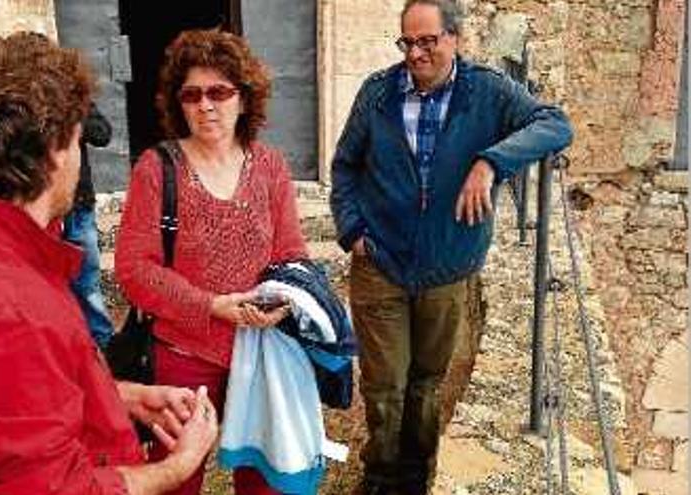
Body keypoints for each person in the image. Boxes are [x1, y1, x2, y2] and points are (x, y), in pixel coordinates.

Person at [0, 32, 218, 495]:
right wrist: (180, 464)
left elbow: (30, 395)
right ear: (54, 151)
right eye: (76, 140)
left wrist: (121, 397)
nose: (79, 158)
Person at [329, 1, 573, 494]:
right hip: (380, 262)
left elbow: (555, 124)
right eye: (407, 43)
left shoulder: (486, 90)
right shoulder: (378, 94)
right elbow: (344, 167)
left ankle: (416, 476)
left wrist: (491, 163)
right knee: (384, 386)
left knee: (426, 382)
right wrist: (352, 230)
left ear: (454, 38)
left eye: (428, 41)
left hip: (448, 266)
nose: (416, 53)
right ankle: (380, 475)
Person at [115, 29, 308, 495]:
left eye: (219, 92)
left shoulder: (270, 167)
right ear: (178, 103)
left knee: (267, 481)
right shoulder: (157, 168)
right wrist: (211, 305)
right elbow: (134, 269)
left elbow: (292, 253)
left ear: (243, 98)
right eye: (192, 94)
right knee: (175, 480)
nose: (206, 105)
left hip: (260, 353)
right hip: (184, 358)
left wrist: (285, 297)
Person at [64, 102, 116, 351]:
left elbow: (103, 134)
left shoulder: (76, 97)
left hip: (78, 206)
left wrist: (70, 120)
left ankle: (101, 342)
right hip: (39, 210)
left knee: (87, 279)